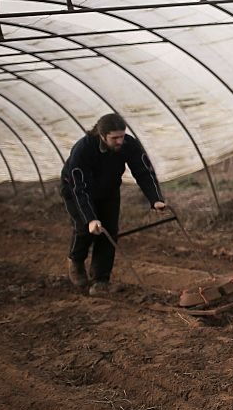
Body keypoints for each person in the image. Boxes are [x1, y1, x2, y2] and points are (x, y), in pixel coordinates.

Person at [61, 113, 166, 296]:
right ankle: (76, 261)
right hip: (77, 191)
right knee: (85, 228)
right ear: (102, 135)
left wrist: (155, 198)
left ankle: (101, 281)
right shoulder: (83, 150)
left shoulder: (129, 144)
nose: (120, 141)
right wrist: (91, 218)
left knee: (109, 230)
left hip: (109, 190)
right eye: (114, 138)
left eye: (122, 136)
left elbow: (143, 171)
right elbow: (79, 188)